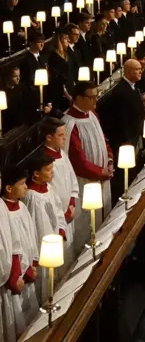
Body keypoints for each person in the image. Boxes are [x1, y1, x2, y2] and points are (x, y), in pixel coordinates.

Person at [62, 81, 113, 244]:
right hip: (85, 183)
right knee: (88, 227)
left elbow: (103, 140)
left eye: (96, 96)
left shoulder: (92, 115)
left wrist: (110, 160)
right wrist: (101, 173)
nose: (95, 101)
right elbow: (77, 161)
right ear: (78, 98)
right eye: (91, 97)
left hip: (102, 176)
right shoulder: (69, 123)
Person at [1, 167, 40, 338]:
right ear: (8, 188)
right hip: (13, 277)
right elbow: (11, 247)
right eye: (22, 183)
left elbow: (31, 237)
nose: (26, 187)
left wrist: (32, 263)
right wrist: (15, 275)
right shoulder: (4, 212)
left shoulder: (22, 208)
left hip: (26, 271)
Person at [24, 154, 67, 299]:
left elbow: (58, 210)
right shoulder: (31, 196)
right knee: (44, 287)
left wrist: (61, 230)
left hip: (54, 243)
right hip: (42, 250)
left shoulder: (48, 188)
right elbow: (33, 227)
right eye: (48, 170)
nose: (52, 172)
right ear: (36, 173)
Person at [41, 117, 79, 264]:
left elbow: (71, 180)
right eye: (61, 135)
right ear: (49, 137)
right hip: (57, 220)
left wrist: (71, 203)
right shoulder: (45, 163)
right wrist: (61, 214)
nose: (65, 138)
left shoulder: (62, 154)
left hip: (68, 213)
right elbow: (49, 193)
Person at [101, 58, 145, 157]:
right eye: (137, 69)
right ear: (130, 71)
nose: (141, 71)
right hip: (127, 142)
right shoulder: (122, 91)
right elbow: (122, 120)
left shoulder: (131, 87)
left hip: (134, 137)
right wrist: (127, 143)